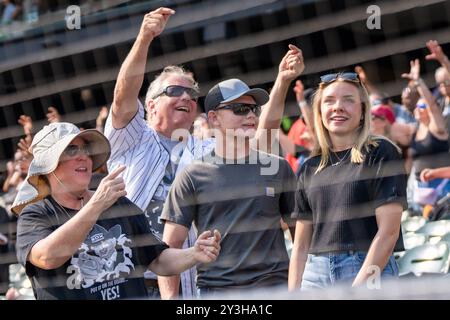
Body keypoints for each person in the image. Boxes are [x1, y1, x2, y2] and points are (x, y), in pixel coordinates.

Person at [105, 7, 303, 299]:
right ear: (150, 104)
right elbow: (123, 96)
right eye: (174, 91)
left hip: (186, 280)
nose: (186, 97)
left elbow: (262, 137)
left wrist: (282, 82)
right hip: (131, 278)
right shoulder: (131, 138)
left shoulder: (206, 148)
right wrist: (145, 38)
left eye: (192, 95)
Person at [11, 122, 220, 300]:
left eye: (86, 150)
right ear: (49, 166)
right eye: (72, 150)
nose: (84, 156)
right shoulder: (36, 214)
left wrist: (193, 254)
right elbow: (47, 257)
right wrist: (96, 205)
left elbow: (157, 260)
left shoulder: (118, 204)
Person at [161, 78, 298, 297]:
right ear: (213, 118)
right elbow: (169, 247)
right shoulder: (192, 175)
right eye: (240, 109)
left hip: (275, 289)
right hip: (217, 292)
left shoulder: (278, 167)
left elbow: (300, 233)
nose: (251, 115)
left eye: (254, 108)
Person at [288, 72, 407, 290]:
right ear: (319, 112)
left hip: (367, 269)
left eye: (348, 100)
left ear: (363, 111)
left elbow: (389, 232)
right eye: (329, 101)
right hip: (315, 274)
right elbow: (301, 244)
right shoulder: (308, 167)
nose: (338, 107)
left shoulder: (381, 152)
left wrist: (358, 289)